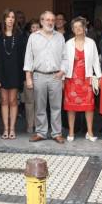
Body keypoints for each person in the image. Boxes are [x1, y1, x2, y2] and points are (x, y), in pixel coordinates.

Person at [24, 11, 67, 143]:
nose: (50, 22)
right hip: (39, 75)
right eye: (47, 20)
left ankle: (56, 133)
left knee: (56, 107)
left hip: (55, 76)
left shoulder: (60, 37)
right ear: (41, 21)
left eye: (52, 20)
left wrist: (62, 72)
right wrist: (28, 77)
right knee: (40, 107)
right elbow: (28, 57)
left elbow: (65, 57)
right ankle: (41, 133)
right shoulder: (33, 37)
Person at [63, 16, 101, 142]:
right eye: (75, 27)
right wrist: (62, 78)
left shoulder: (91, 43)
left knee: (89, 107)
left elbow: (96, 61)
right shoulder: (68, 44)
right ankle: (71, 132)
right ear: (72, 29)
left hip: (87, 78)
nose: (78, 29)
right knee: (71, 107)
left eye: (80, 26)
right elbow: (63, 61)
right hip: (71, 79)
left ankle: (90, 132)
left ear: (85, 28)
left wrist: (99, 77)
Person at [0, 9, 26, 139]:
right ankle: (5, 129)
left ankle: (12, 129)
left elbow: (23, 57)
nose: (11, 19)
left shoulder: (19, 35)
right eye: (8, 17)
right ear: (4, 19)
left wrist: (23, 75)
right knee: (4, 100)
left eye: (13, 17)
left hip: (15, 72)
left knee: (13, 100)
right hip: (2, 72)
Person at [22, 18, 40, 133]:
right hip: (28, 74)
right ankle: (30, 125)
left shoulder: (45, 41)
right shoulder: (25, 41)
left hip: (41, 75)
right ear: (30, 29)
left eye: (37, 27)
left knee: (40, 102)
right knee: (29, 101)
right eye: (33, 27)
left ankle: (38, 125)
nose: (35, 29)